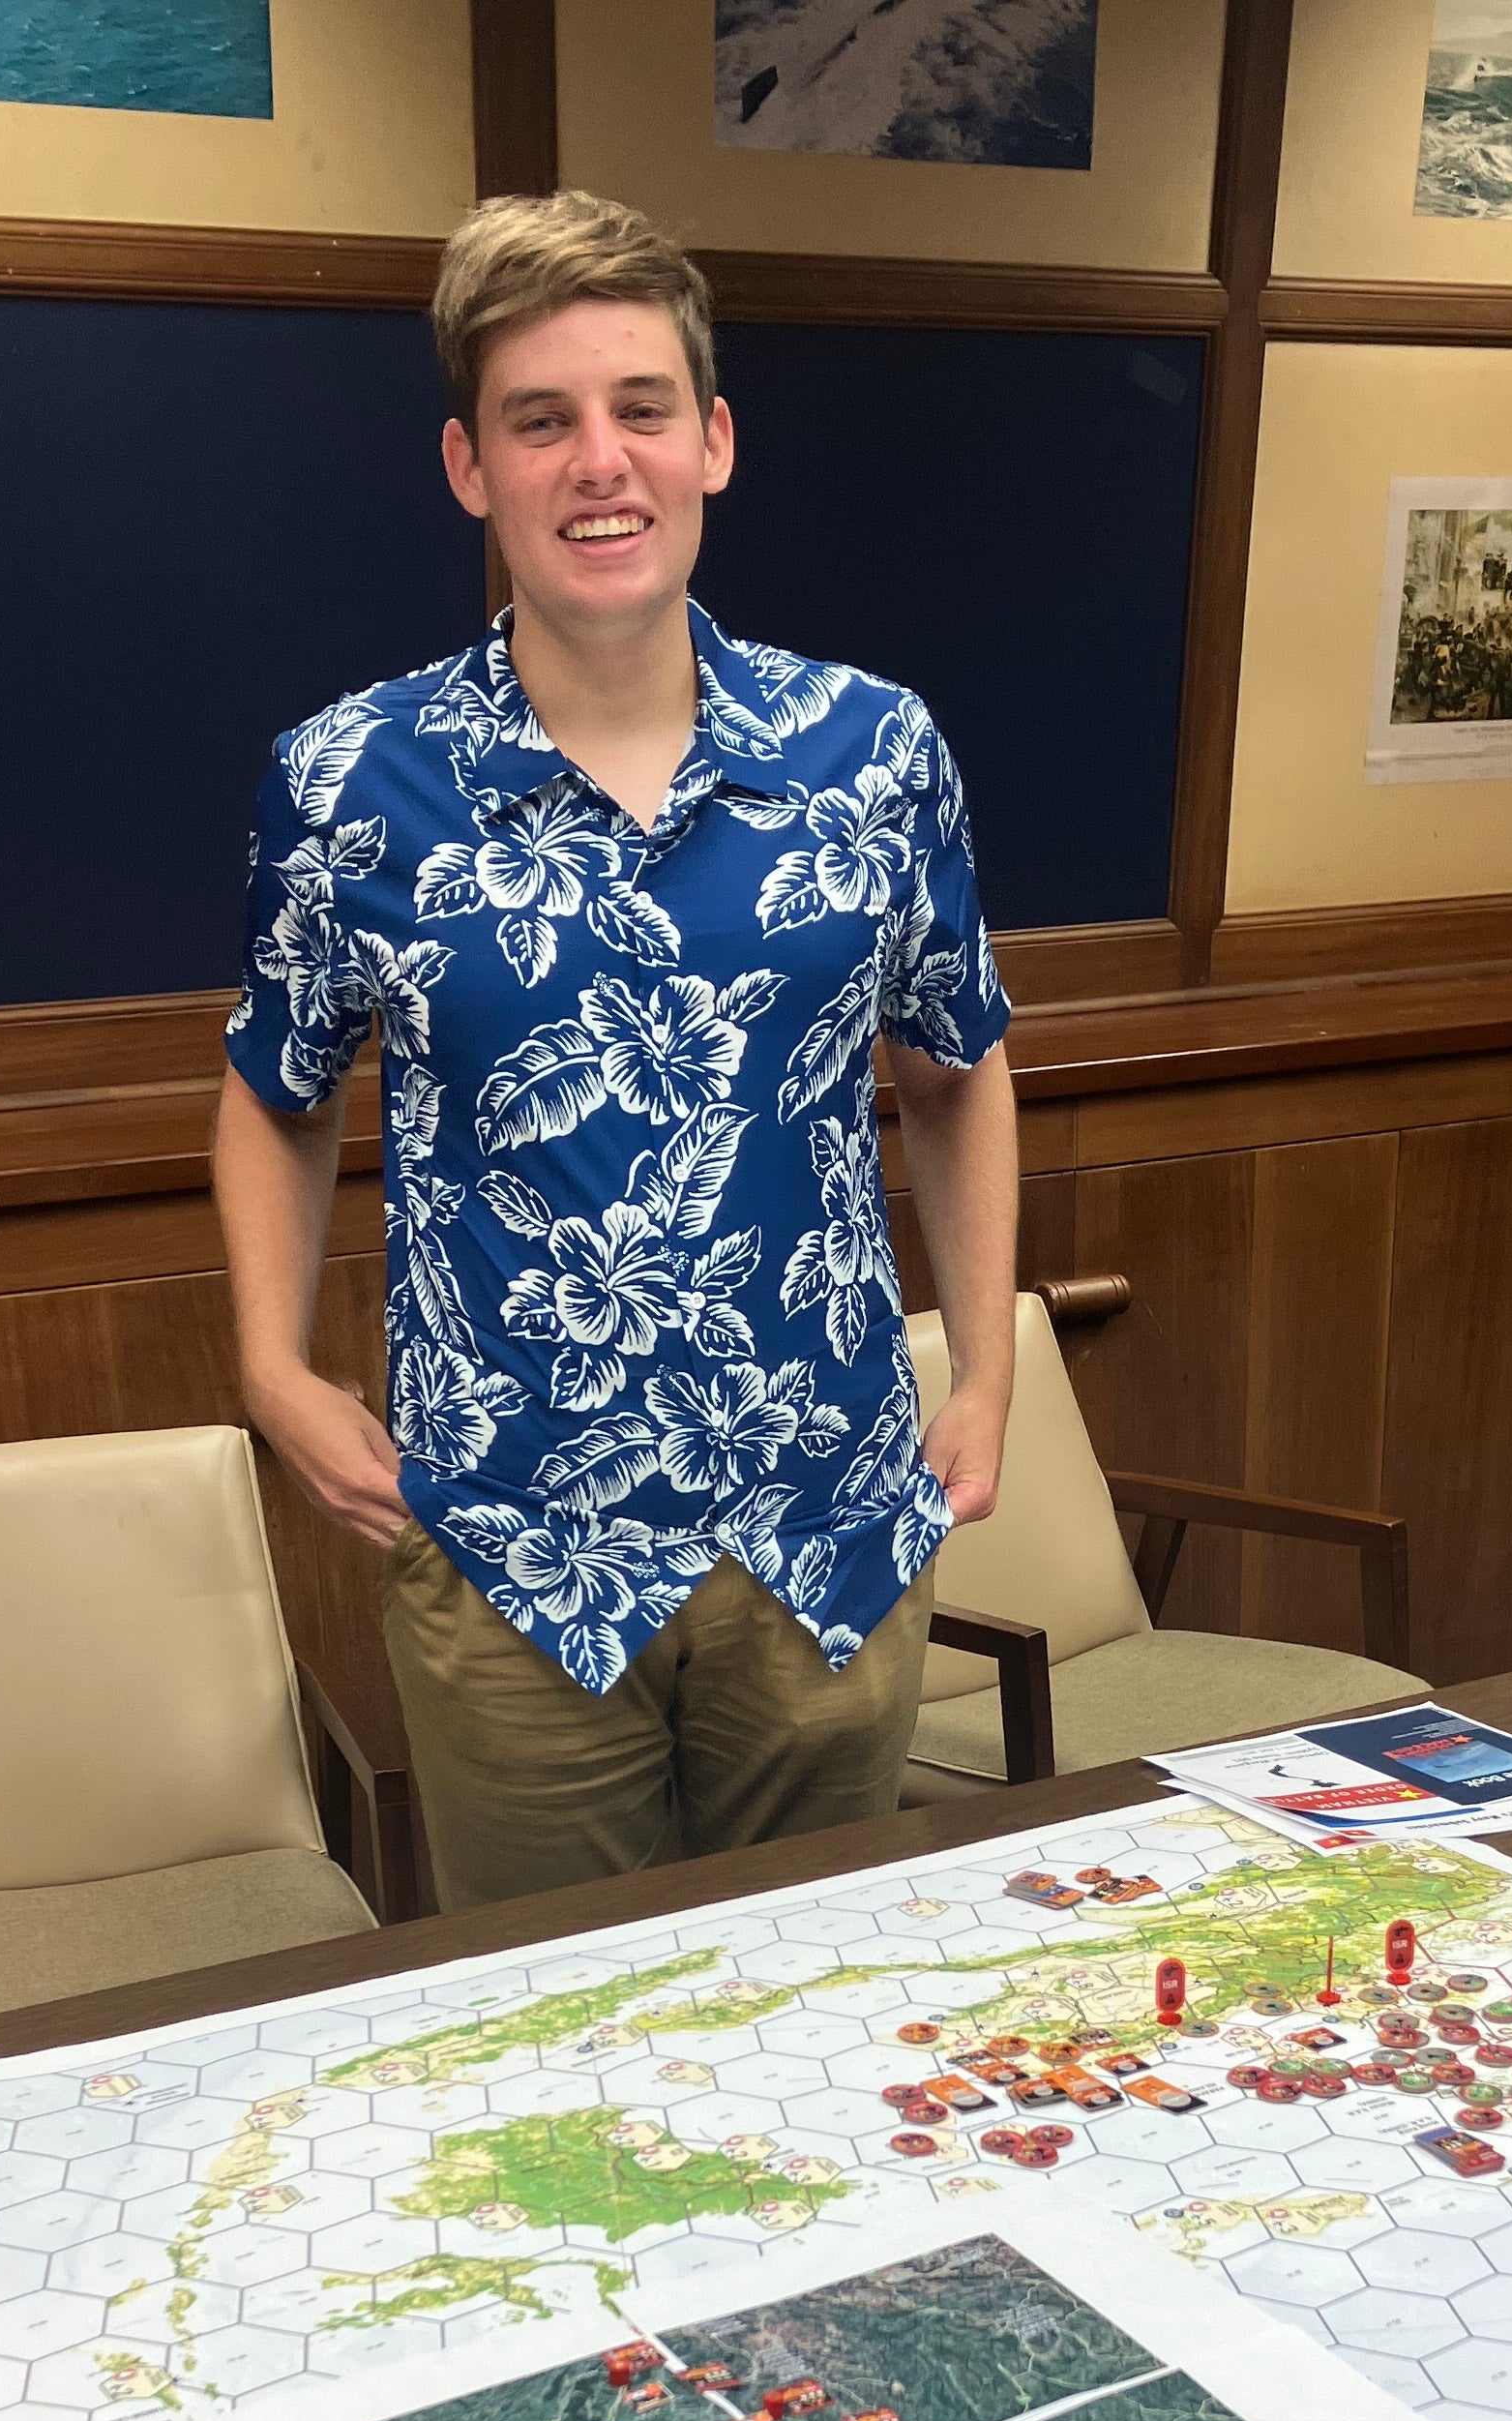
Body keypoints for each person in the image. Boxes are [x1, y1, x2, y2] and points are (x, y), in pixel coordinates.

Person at [214, 187, 1019, 1916]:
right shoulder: (351, 785)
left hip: (831, 1521)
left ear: (711, 442)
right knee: (555, 2046)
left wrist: (988, 1373)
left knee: (815, 2019)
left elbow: (957, 1064)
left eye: (640, 410)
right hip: (514, 1550)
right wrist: (272, 1371)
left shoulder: (872, 754)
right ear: (469, 468)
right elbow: (275, 1093)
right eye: (543, 420)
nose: (601, 461)